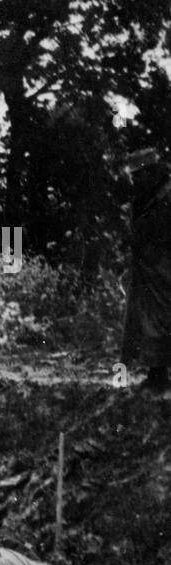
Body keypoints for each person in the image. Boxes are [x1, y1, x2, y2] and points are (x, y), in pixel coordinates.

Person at [118, 148, 171, 392]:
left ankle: (157, 375)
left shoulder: (164, 197)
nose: (136, 181)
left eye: (140, 175)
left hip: (161, 266)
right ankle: (153, 373)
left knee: (158, 317)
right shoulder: (147, 199)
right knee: (146, 319)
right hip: (148, 268)